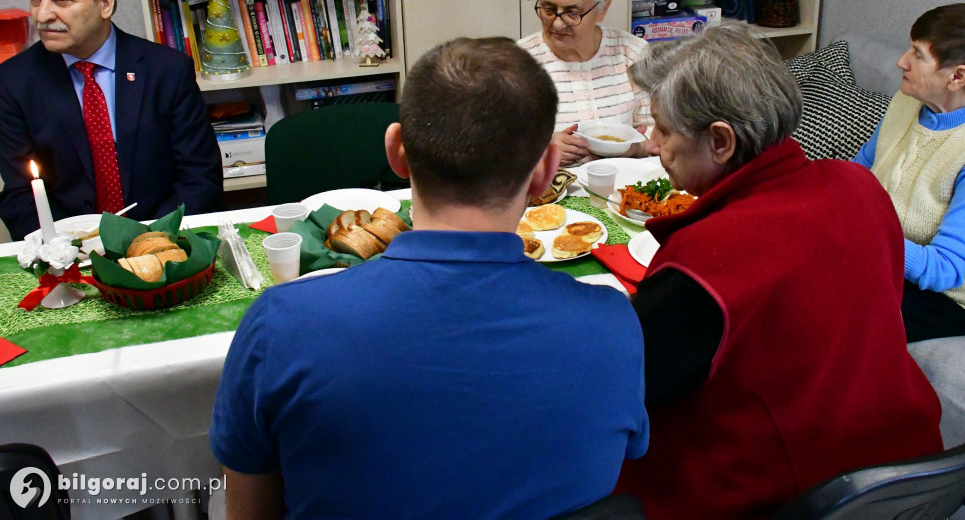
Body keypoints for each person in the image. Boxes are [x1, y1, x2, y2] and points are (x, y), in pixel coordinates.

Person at [210, 37, 648, 519]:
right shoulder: (614, 325)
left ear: (396, 152)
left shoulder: (282, 325)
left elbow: (249, 508)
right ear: (546, 169)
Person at [615, 23, 942, 519]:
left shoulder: (707, 259)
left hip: (789, 493)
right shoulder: (857, 184)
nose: (652, 140)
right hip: (905, 467)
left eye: (662, 127)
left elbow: (629, 388)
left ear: (720, 141)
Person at [0, 0, 222, 240]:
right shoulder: (13, 82)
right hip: (67, 253)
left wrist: (153, 240)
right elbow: (19, 196)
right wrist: (64, 250)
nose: (42, 14)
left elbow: (200, 178)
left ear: (105, 3)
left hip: (162, 241)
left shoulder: (167, 71)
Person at [853, 4, 965, 342]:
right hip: (890, 258)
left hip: (955, 300)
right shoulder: (907, 102)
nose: (902, 61)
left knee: (827, 312)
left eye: (917, 55)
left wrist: (862, 239)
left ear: (957, 77)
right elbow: (857, 176)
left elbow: (944, 269)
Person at [518, 0, 651, 166]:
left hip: (624, 185)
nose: (558, 24)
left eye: (572, 13)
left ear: (602, 10)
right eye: (549, 10)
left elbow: (664, 136)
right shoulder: (518, 64)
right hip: (550, 192)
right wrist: (542, 151)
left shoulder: (634, 54)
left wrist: (634, 148)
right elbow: (495, 148)